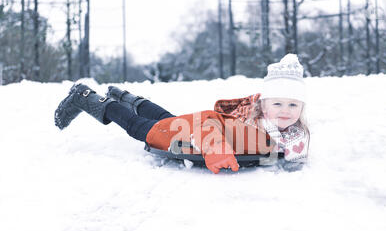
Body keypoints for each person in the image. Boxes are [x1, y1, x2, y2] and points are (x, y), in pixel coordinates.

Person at [54, 54, 310, 174]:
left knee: (167, 120)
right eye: (278, 104)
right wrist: (216, 148)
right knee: (141, 128)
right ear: (264, 106)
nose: (286, 112)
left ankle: (127, 98)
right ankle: (88, 98)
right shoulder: (255, 130)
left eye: (293, 105)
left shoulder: (287, 130)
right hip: (203, 128)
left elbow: (282, 149)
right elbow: (210, 124)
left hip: (194, 125)